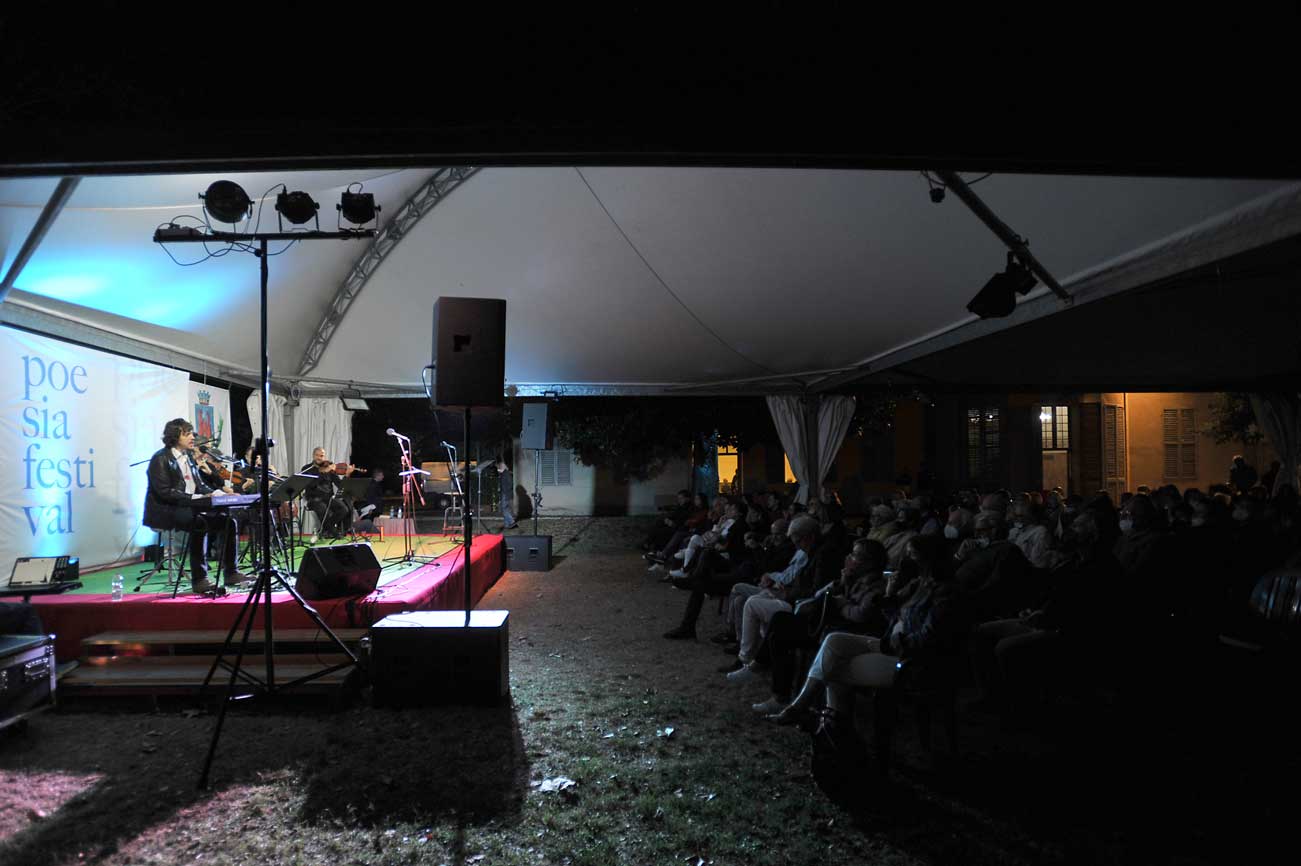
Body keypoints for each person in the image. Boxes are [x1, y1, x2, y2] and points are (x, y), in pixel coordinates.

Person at [143, 418, 248, 594]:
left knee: (229, 522)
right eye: (187, 434)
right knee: (199, 522)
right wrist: (196, 497)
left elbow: (200, 486)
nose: (192, 437)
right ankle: (200, 579)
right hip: (167, 509)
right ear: (175, 436)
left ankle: (231, 573)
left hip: (190, 505)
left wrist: (220, 494)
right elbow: (165, 493)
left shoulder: (189, 457)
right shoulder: (160, 459)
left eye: (191, 433)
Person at [301, 447, 356, 541]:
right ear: (313, 456)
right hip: (314, 498)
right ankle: (333, 532)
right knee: (323, 509)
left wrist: (347, 474)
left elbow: (340, 484)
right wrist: (324, 472)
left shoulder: (329, 468)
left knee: (344, 509)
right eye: (317, 455)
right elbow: (311, 484)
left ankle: (324, 530)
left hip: (329, 498)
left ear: (324, 457)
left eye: (321, 456)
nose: (319, 458)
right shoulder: (307, 468)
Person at [497, 458, 518, 530]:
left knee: (504, 509)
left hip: (506, 494)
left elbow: (510, 484)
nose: (497, 470)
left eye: (498, 468)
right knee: (506, 509)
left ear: (501, 467)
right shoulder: (504, 474)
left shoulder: (506, 474)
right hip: (505, 493)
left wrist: (505, 491)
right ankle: (507, 524)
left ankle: (512, 522)